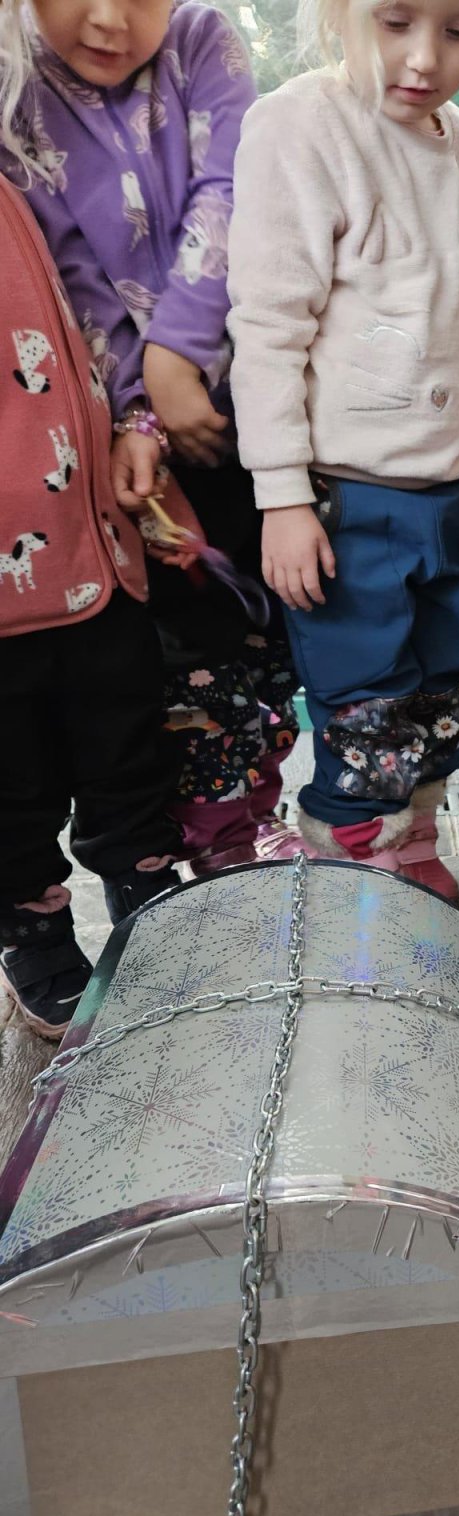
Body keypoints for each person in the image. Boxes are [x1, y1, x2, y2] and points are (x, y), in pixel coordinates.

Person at [0, 0, 302, 875]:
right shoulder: (17, 91)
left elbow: (230, 192)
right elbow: (71, 285)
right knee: (187, 664)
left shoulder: (203, 41)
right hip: (131, 446)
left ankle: (259, 813)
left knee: (274, 644)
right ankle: (216, 845)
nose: (109, 21)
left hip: (257, 408)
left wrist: (176, 355)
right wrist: (140, 409)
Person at [227, 0, 459, 899]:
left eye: (458, 33)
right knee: (366, 699)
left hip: (445, 486)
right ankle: (353, 862)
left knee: (443, 684)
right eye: (394, 23)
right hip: (345, 492)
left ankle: (413, 833)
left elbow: (444, 301)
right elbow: (269, 327)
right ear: (340, 15)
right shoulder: (300, 126)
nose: (424, 58)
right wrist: (281, 494)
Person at [0, 174, 181, 1039]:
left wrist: (136, 418)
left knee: (127, 740)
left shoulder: (20, 170)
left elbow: (99, 305)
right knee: (10, 778)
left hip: (92, 543)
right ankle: (30, 923)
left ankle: (145, 884)